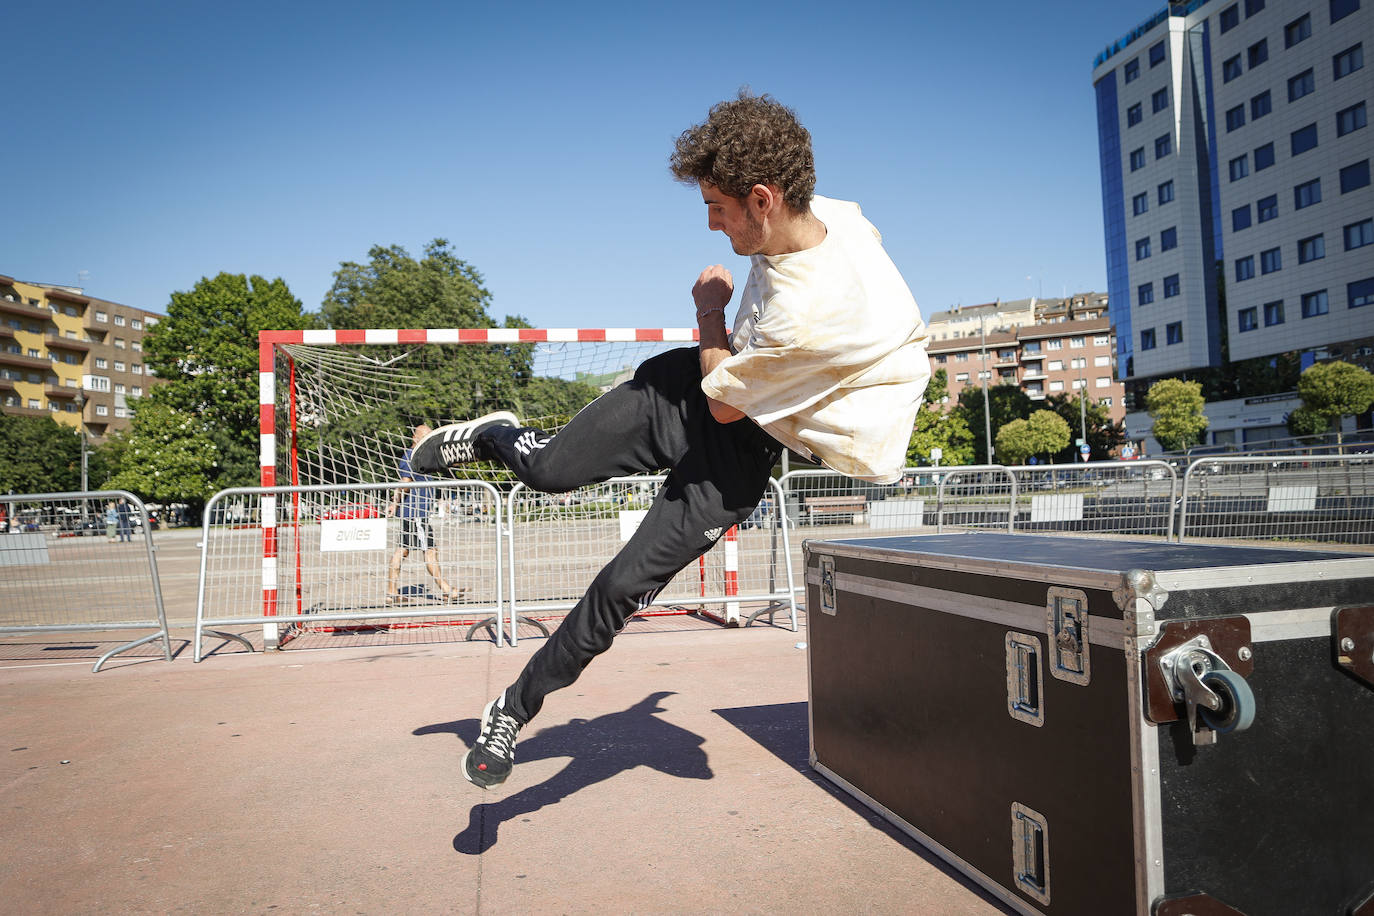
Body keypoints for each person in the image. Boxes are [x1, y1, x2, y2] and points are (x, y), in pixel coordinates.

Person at [411, 91, 930, 789]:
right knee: (543, 472)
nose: (714, 226)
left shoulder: (809, 318)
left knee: (619, 588)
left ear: (763, 199)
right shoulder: (838, 215)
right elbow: (840, 240)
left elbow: (723, 404)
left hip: (730, 446)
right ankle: (498, 437)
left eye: (718, 208)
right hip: (677, 394)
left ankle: (512, 708)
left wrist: (709, 309)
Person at [386, 424, 462, 605]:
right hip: (415, 513)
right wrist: (394, 503)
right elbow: (404, 483)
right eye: (425, 437)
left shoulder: (422, 456)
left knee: (402, 550)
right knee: (430, 552)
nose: (428, 441)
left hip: (414, 513)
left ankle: (391, 592)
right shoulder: (410, 457)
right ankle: (446, 589)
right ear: (415, 437)